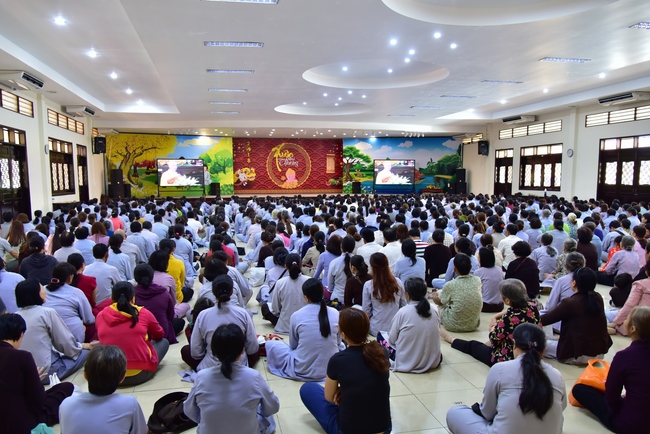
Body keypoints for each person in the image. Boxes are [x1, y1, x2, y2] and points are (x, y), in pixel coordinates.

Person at [446, 323, 566, 434]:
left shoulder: (500, 369)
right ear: (544, 349)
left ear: (514, 344)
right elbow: (562, 407)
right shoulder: (557, 376)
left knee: (455, 412)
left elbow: (487, 412)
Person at [300, 308, 391, 434]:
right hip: (384, 429)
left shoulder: (338, 360)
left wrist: (343, 390)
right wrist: (348, 389)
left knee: (308, 389)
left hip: (347, 430)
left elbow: (329, 397)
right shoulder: (382, 352)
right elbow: (373, 381)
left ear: (343, 335)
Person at [184, 324, 280, 434]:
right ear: (242, 350)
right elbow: (273, 407)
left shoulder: (201, 377)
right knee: (266, 414)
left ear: (213, 351)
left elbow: (189, 410)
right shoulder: (254, 376)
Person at [572, 306, 650, 434]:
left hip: (631, 424)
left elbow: (611, 395)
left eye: (627, 318)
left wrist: (616, 409)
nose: (625, 321)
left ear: (633, 328)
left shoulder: (624, 356)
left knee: (580, 390)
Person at [0, 313, 74, 434]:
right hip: (21, 423)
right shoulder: (22, 357)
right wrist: (35, 382)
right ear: (20, 335)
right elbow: (39, 402)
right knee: (66, 387)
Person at [442, 279, 540, 366]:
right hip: (532, 351)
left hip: (507, 357)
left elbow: (494, 339)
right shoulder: (532, 307)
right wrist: (495, 316)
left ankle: (451, 339)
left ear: (507, 300)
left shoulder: (508, 318)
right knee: (486, 344)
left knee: (474, 346)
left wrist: (493, 328)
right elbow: (510, 311)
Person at [266, 278, 343, 381]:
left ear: (306, 298)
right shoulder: (335, 313)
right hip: (331, 368)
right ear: (323, 293)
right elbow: (338, 342)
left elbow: (293, 345)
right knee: (342, 347)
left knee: (271, 344)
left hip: (302, 368)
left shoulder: (297, 315)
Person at [59, 345, 147, 434]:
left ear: (85, 376)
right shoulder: (130, 404)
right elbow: (141, 431)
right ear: (122, 377)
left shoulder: (66, 404)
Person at [15, 279, 91, 381]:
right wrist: (82, 346)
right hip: (46, 373)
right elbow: (66, 344)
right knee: (85, 353)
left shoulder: (15, 316)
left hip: (22, 375)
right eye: (42, 288)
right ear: (36, 293)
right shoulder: (47, 312)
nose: (45, 291)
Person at [96, 282, 169, 386]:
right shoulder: (143, 313)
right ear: (133, 298)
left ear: (112, 298)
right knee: (163, 342)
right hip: (140, 374)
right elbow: (159, 334)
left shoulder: (101, 315)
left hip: (110, 376)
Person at [183, 275, 259, 371]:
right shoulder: (243, 313)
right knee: (257, 350)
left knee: (186, 351)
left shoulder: (203, 315)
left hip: (211, 366)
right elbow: (252, 348)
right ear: (232, 292)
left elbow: (196, 352)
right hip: (239, 364)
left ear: (213, 292)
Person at [540, 267, 613, 364]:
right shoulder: (598, 298)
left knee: (538, 344)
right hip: (599, 354)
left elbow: (545, 320)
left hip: (576, 355)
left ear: (574, 283)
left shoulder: (570, 302)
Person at [379, 277, 442, 373]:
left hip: (406, 362)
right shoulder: (434, 309)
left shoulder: (403, 312)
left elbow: (392, 339)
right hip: (433, 361)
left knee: (381, 336)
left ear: (407, 295)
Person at [44, 262, 95, 343]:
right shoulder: (76, 292)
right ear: (70, 277)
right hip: (73, 338)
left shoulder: (43, 290)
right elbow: (89, 319)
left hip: (46, 335)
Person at [431, 253, 483, 332]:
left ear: (454, 268)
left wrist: (434, 297)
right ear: (471, 267)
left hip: (452, 325)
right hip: (473, 324)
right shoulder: (477, 280)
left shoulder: (450, 284)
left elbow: (440, 302)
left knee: (438, 307)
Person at [134, 263, 183, 344]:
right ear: (152, 276)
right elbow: (170, 315)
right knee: (180, 322)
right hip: (162, 334)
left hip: (140, 335)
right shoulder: (163, 292)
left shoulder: (132, 295)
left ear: (135, 278)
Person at [262, 253, 310, 333]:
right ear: (301, 265)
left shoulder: (280, 283)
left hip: (284, 327)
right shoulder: (309, 281)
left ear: (286, 266)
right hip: (305, 326)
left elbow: (275, 308)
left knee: (265, 307)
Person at [362, 252, 406, 336]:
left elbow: (366, 312)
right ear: (387, 265)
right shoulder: (398, 282)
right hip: (396, 329)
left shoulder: (368, 285)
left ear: (372, 267)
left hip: (376, 329)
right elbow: (403, 306)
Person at [607, 263, 650, 335]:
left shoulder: (640, 284)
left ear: (646, 270)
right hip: (641, 323)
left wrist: (615, 323)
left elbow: (630, 305)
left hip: (639, 323)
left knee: (605, 314)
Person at [474, 247, 504, 312]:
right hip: (499, 305)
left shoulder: (478, 272)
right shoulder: (499, 269)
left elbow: (475, 290)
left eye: (478, 256)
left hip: (485, 305)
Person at [326, 236, 355, 302]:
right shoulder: (358, 261)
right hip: (354, 300)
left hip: (337, 299)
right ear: (353, 247)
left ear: (341, 246)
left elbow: (330, 285)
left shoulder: (334, 263)